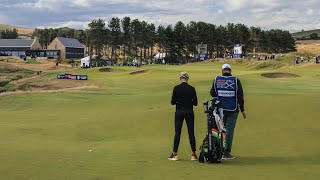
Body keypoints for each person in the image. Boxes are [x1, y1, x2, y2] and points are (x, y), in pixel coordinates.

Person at [210, 64, 246, 160]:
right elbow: (240, 96)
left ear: (222, 71)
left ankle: (218, 150)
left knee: (219, 130)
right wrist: (242, 109)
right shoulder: (236, 80)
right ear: (230, 70)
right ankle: (226, 153)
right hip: (233, 109)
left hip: (220, 110)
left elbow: (212, 93)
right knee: (229, 131)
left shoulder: (217, 79)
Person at [168, 72, 198, 161]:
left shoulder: (176, 88)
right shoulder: (191, 88)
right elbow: (195, 103)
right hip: (189, 111)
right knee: (191, 133)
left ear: (180, 78)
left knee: (177, 132)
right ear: (187, 79)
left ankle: (174, 154)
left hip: (179, 111)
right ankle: (193, 154)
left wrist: (179, 101)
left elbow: (172, 102)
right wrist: (189, 101)